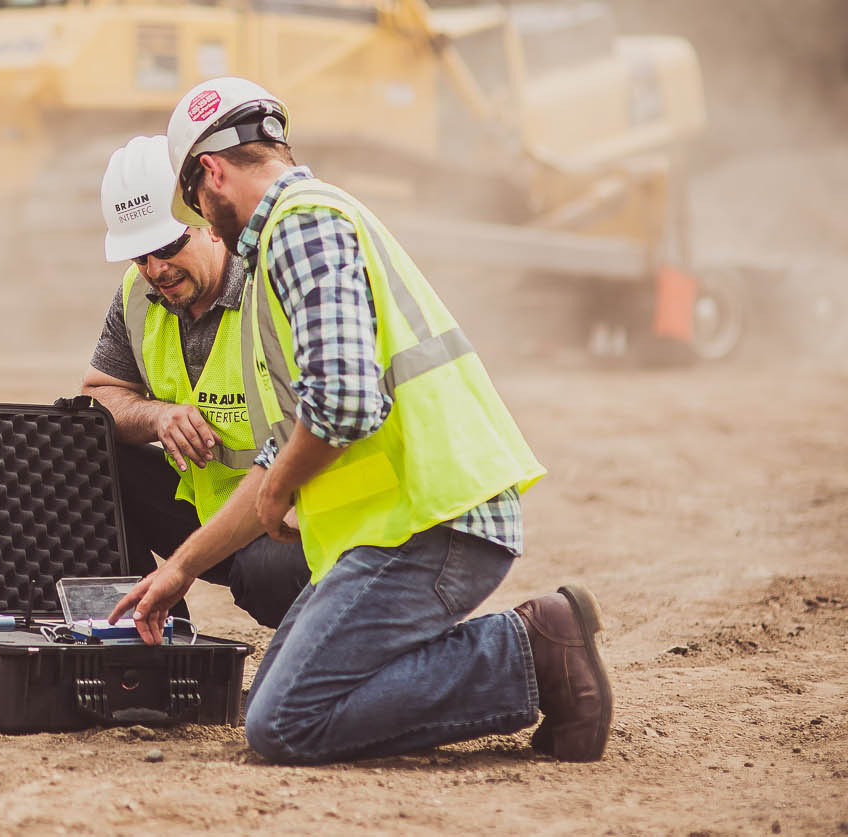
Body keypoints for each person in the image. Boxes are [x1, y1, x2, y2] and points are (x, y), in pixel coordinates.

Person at [110, 79, 614, 764]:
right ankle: (529, 653)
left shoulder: (300, 226)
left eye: (191, 199)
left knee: (286, 721)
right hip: (392, 529)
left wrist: (279, 488)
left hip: (431, 525)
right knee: (272, 706)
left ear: (212, 172)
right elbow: (292, 434)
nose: (199, 214)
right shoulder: (300, 231)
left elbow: (342, 405)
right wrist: (183, 569)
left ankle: (531, 650)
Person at [82, 135, 310, 629]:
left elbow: (319, 427)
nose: (155, 269)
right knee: (83, 452)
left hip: (292, 518)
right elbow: (99, 396)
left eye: (166, 247)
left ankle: (334, 646)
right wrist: (157, 415)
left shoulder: (270, 283)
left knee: (267, 575)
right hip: (208, 515)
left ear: (208, 221)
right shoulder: (139, 294)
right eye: (139, 256)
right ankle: (149, 635)